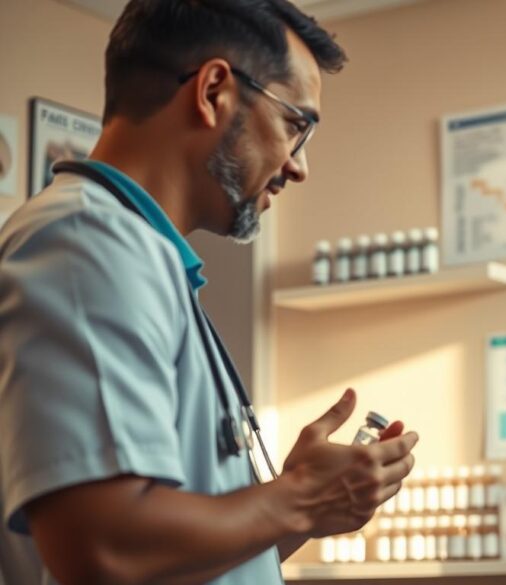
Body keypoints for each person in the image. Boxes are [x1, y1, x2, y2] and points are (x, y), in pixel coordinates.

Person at [0, 1, 418, 584]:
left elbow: (178, 563)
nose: (299, 168)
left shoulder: (148, 263)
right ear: (214, 90)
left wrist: (297, 512)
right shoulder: (87, 243)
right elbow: (103, 548)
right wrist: (298, 497)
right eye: (296, 125)